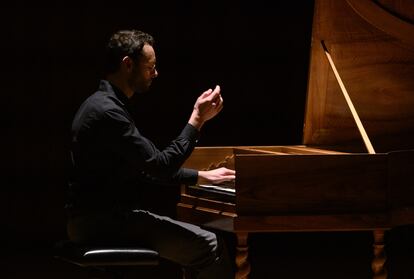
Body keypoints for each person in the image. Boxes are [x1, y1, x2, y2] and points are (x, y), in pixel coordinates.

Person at [66, 29, 236, 279]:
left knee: (198, 246)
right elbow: (160, 165)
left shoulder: (100, 104)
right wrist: (196, 120)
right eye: (150, 67)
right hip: (104, 222)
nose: (155, 73)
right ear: (127, 64)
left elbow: (144, 169)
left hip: (89, 221)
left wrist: (200, 176)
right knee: (211, 246)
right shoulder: (108, 113)